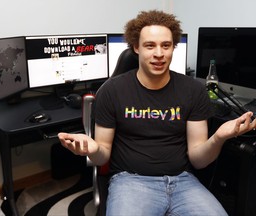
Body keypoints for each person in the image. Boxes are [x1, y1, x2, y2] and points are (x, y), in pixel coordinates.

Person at [58, 10, 256, 216]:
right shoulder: (112, 91)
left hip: (183, 182)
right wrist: (91, 149)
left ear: (173, 48)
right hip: (131, 182)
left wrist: (219, 137)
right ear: (136, 47)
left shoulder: (193, 90)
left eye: (166, 45)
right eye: (150, 45)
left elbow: (198, 159)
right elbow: (102, 155)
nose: (159, 53)